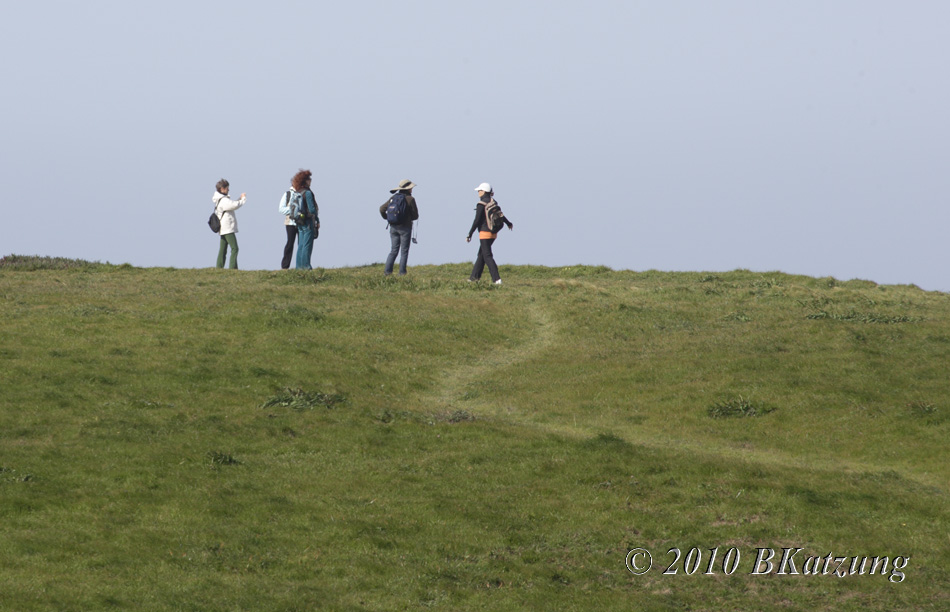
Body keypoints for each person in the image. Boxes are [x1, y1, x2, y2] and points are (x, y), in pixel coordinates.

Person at [466, 182, 513, 284]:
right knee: (481, 255)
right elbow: (501, 215)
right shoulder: (493, 202)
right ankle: (473, 278)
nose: (478, 192)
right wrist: (508, 223)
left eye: (480, 190)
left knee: (487, 256)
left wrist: (470, 234)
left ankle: (497, 279)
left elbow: (476, 220)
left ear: (484, 191)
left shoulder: (481, 204)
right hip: (493, 233)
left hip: (484, 233)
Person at [379, 179, 420, 276]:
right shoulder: (410, 199)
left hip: (393, 227)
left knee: (393, 250)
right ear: (408, 189)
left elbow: (381, 209)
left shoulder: (393, 197)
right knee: (404, 251)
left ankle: (387, 272)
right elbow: (416, 216)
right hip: (405, 228)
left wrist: (387, 218)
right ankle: (402, 273)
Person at [286, 170, 320, 270]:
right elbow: (312, 209)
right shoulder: (308, 193)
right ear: (305, 181)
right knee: (307, 245)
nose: (311, 181)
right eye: (309, 179)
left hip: (299, 221)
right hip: (308, 222)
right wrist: (317, 220)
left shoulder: (298, 192)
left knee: (301, 245)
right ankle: (306, 266)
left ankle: (299, 267)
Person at [212, 178, 246, 269]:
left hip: (223, 228)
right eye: (227, 188)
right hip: (227, 228)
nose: (228, 190)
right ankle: (233, 268)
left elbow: (232, 204)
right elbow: (235, 205)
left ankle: (219, 267)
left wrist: (240, 198)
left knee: (223, 249)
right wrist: (243, 199)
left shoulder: (221, 200)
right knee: (235, 248)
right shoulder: (223, 200)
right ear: (222, 189)